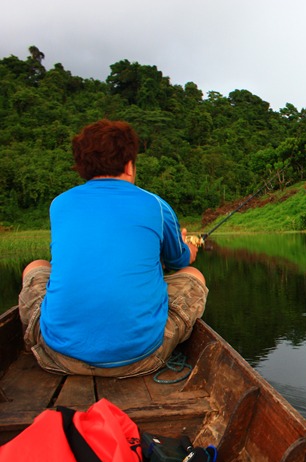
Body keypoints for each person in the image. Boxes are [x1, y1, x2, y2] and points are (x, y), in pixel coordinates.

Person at [18, 119, 208, 378]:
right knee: (194, 276)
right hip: (140, 358)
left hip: (58, 356)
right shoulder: (155, 205)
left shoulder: (59, 204)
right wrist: (189, 248)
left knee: (36, 267)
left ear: (83, 167)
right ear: (129, 165)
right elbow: (178, 261)